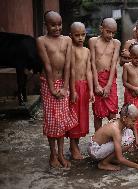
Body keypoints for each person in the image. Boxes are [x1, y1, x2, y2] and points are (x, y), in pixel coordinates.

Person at [36, 11, 77, 168]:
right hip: (48, 83)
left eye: (59, 24)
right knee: (51, 120)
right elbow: (47, 65)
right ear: (45, 25)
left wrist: (66, 86)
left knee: (61, 120)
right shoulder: (42, 41)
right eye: (53, 25)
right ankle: (52, 154)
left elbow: (68, 64)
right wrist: (52, 87)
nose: (57, 28)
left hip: (63, 83)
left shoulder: (67, 40)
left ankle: (61, 153)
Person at [88, 104, 138, 172]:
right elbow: (120, 158)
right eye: (133, 121)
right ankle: (103, 163)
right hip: (95, 151)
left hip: (98, 145)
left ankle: (110, 158)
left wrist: (137, 141)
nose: (135, 123)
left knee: (129, 134)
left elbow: (133, 126)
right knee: (126, 142)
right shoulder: (116, 130)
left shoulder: (121, 121)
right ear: (124, 118)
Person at [66, 22, 94, 160]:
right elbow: (71, 70)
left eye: (83, 35)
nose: (80, 38)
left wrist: (91, 89)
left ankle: (75, 145)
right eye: (77, 35)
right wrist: (72, 90)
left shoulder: (87, 50)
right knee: (74, 117)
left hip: (84, 87)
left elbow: (88, 70)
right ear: (70, 35)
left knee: (82, 116)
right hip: (75, 86)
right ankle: (73, 145)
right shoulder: (70, 49)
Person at [89, 18, 121, 131]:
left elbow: (113, 65)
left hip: (110, 80)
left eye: (113, 32)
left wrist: (108, 86)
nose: (111, 35)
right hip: (97, 79)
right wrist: (96, 85)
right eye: (108, 31)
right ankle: (97, 141)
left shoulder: (116, 43)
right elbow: (92, 62)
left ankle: (111, 138)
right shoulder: (93, 41)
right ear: (101, 29)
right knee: (98, 113)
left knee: (112, 112)